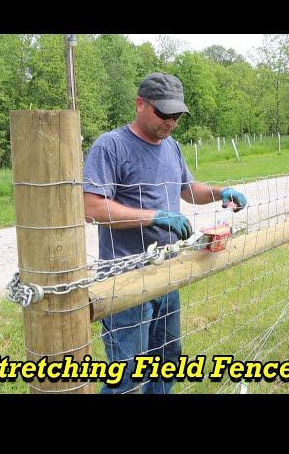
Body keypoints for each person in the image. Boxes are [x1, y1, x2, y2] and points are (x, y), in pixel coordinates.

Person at [83, 72, 247, 394]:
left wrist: (220, 192)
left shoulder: (171, 146)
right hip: (126, 280)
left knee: (167, 359)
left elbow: (188, 189)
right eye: (163, 114)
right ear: (140, 104)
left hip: (167, 272)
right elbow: (92, 207)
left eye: (176, 116)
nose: (170, 122)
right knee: (127, 373)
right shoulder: (111, 146)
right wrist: (153, 217)